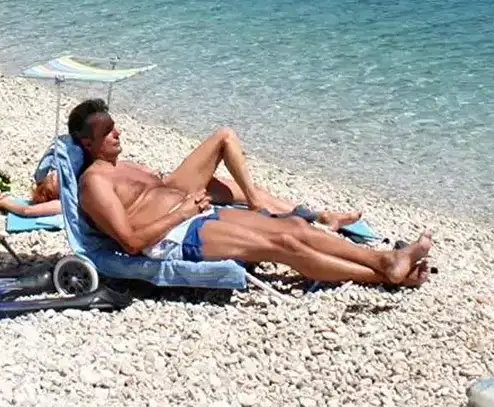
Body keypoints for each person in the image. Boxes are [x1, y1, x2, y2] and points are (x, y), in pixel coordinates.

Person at [71, 100, 431, 286]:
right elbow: (132, 242)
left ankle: (384, 260)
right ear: (87, 143)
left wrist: (189, 203)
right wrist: (182, 212)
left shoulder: (121, 165)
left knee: (294, 228)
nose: (117, 134)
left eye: (115, 127)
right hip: (177, 236)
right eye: (107, 132)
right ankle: (382, 272)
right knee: (283, 246)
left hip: (197, 215)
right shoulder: (94, 183)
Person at [0, 118, 362, 231]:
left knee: (253, 189)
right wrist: (7, 203)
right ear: (50, 192)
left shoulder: (96, 167)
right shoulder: (76, 196)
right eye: (51, 181)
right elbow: (30, 210)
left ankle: (321, 217)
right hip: (171, 195)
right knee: (225, 139)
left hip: (170, 183)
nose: (56, 177)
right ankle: (264, 209)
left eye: (53, 175)